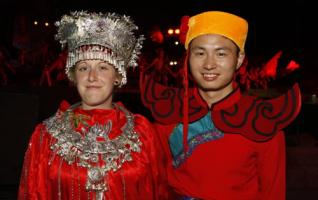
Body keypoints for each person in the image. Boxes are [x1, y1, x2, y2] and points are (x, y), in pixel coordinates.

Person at [140, 11, 302, 199]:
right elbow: (157, 184)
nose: (209, 64)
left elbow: (272, 193)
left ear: (239, 59)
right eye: (200, 53)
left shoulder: (261, 120)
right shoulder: (168, 110)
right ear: (188, 57)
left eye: (221, 53)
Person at [18, 11, 167, 200]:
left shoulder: (143, 132)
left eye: (103, 67)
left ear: (118, 76)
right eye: (83, 68)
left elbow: (158, 192)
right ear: (74, 76)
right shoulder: (46, 135)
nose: (92, 77)